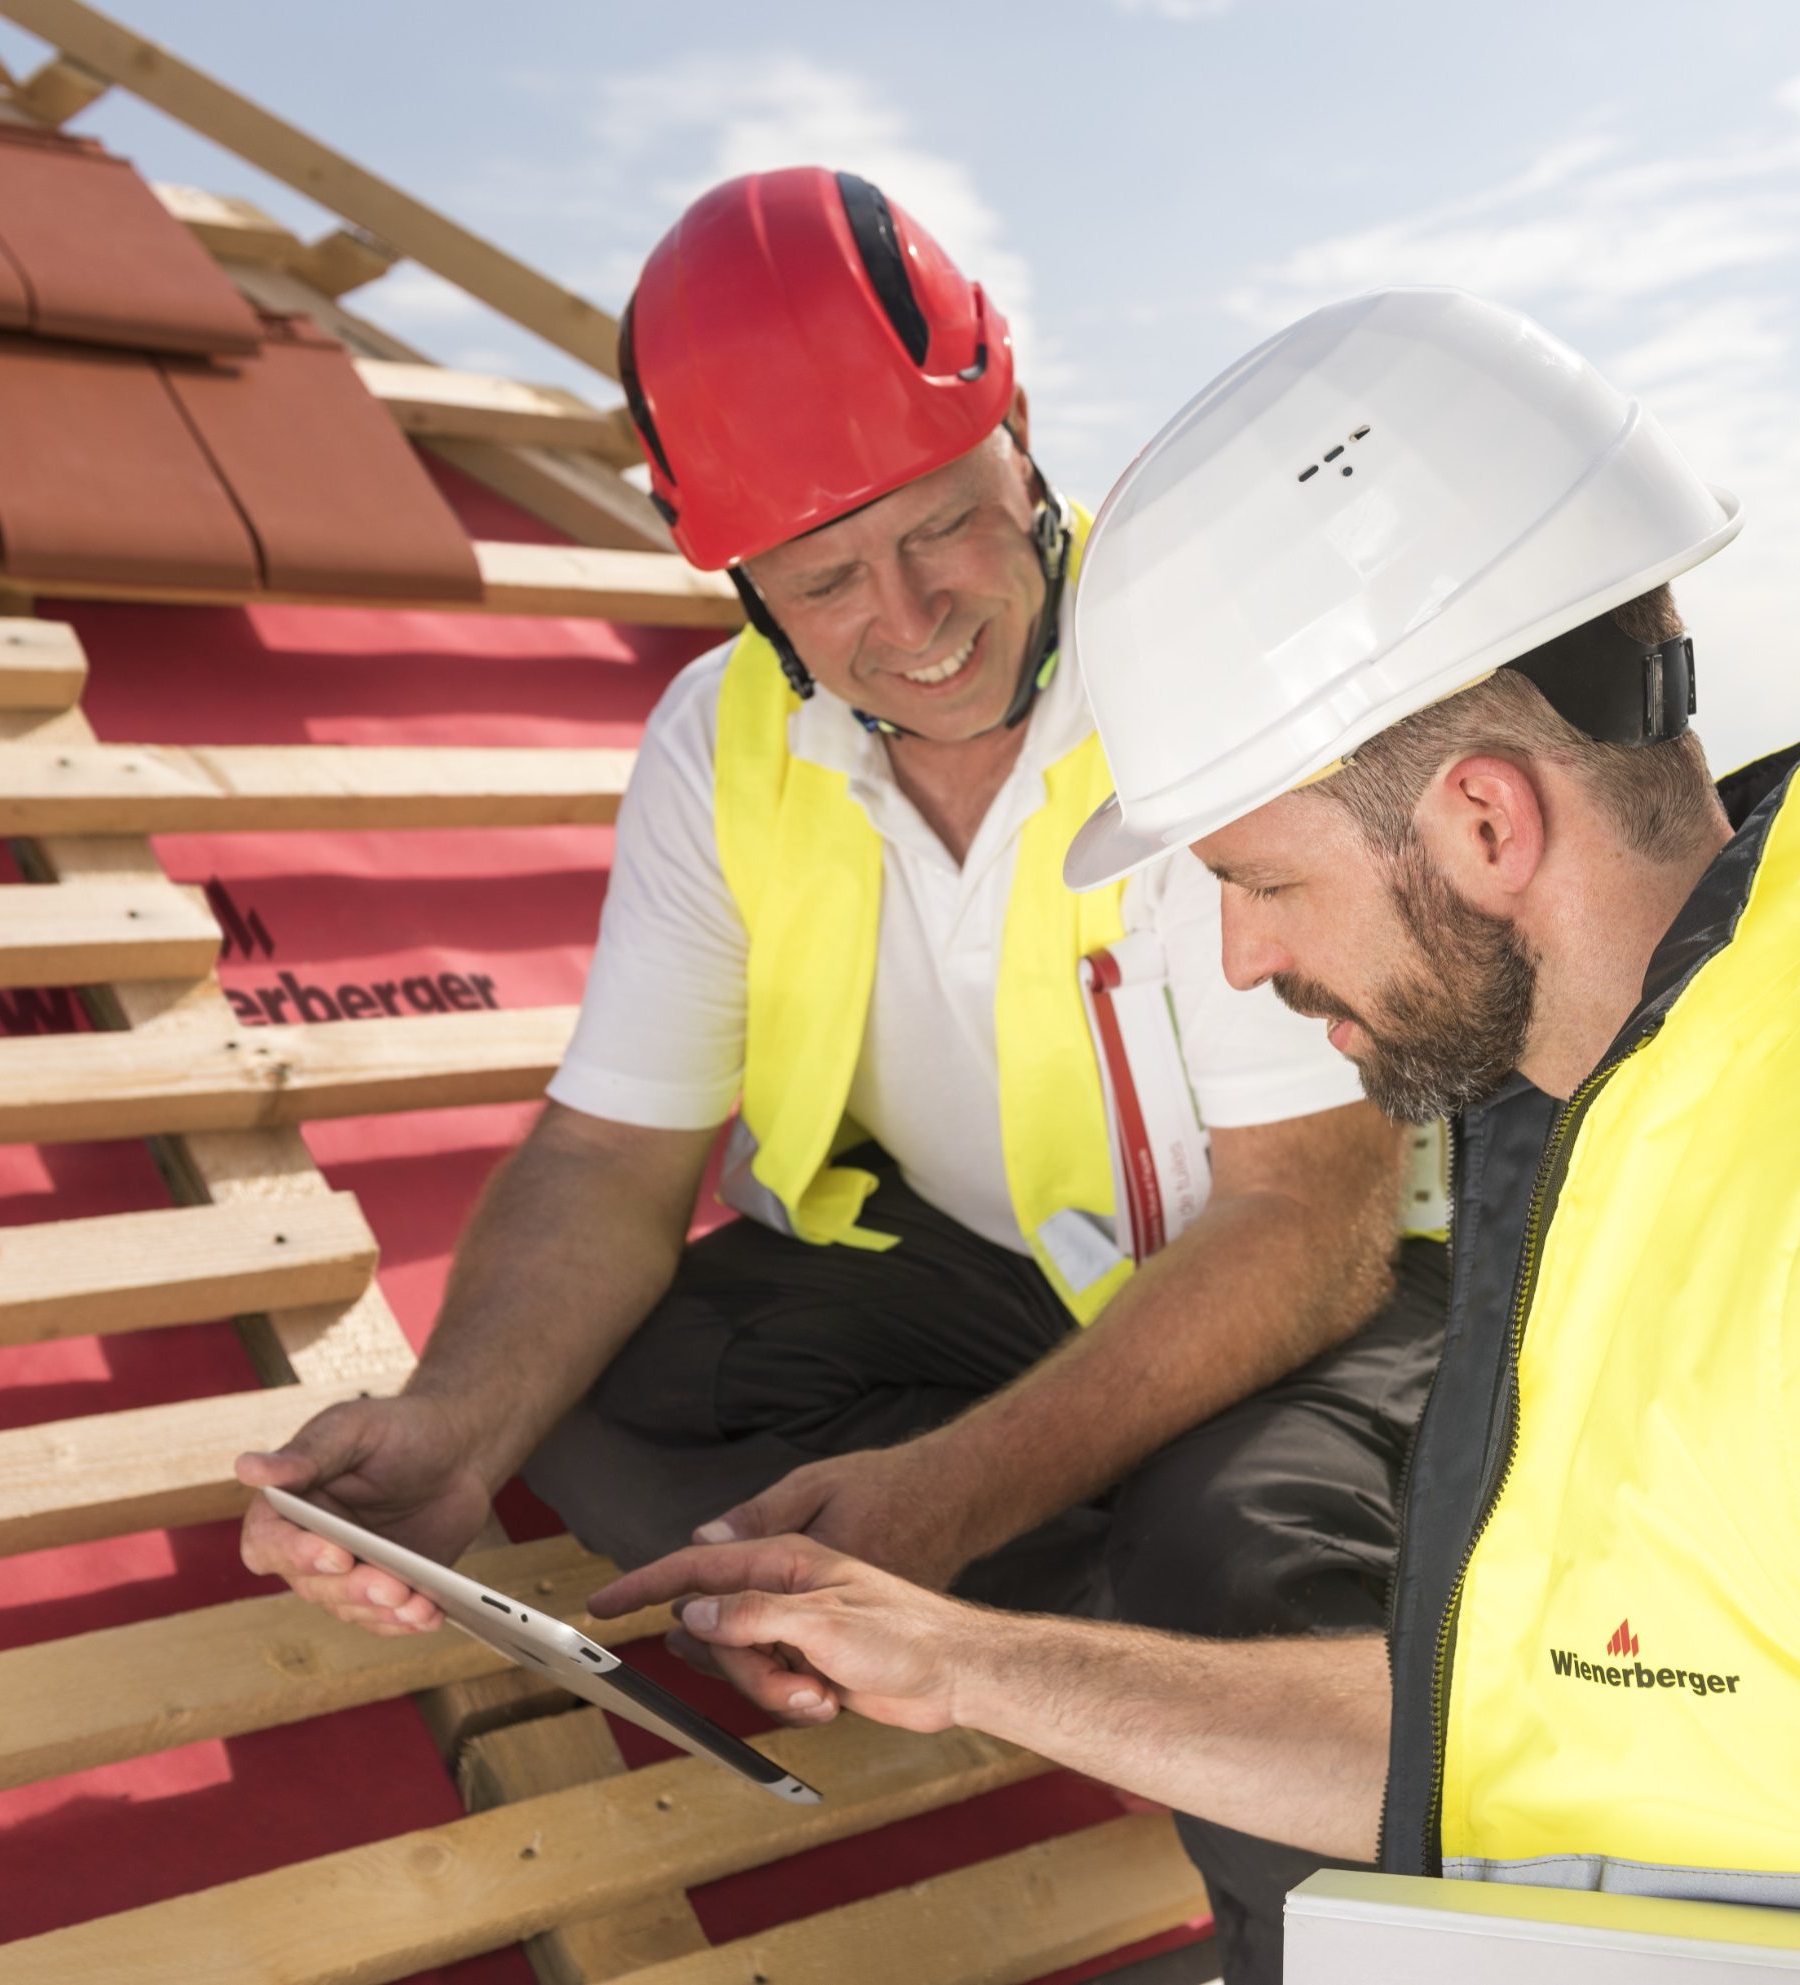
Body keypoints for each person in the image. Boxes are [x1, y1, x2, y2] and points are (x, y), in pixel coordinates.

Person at [593, 289, 1800, 1985]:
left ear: (1483, 820)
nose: (1249, 955)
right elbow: (1519, 1742)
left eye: (1261, 884)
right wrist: (967, 1662)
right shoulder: (1626, 1146)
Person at [235, 173, 1449, 1976]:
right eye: (825, 577)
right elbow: (603, 1165)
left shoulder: (1205, 682)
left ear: (1023, 445)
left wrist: (950, 1499)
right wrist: (450, 1436)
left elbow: (1308, 1223)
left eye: (946, 526)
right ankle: (1169, 1639)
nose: (914, 618)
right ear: (737, 580)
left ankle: (1257, 1698)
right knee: (590, 1393)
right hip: (989, 1291)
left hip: (1338, 1289)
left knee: (1241, 1547)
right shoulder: (720, 742)